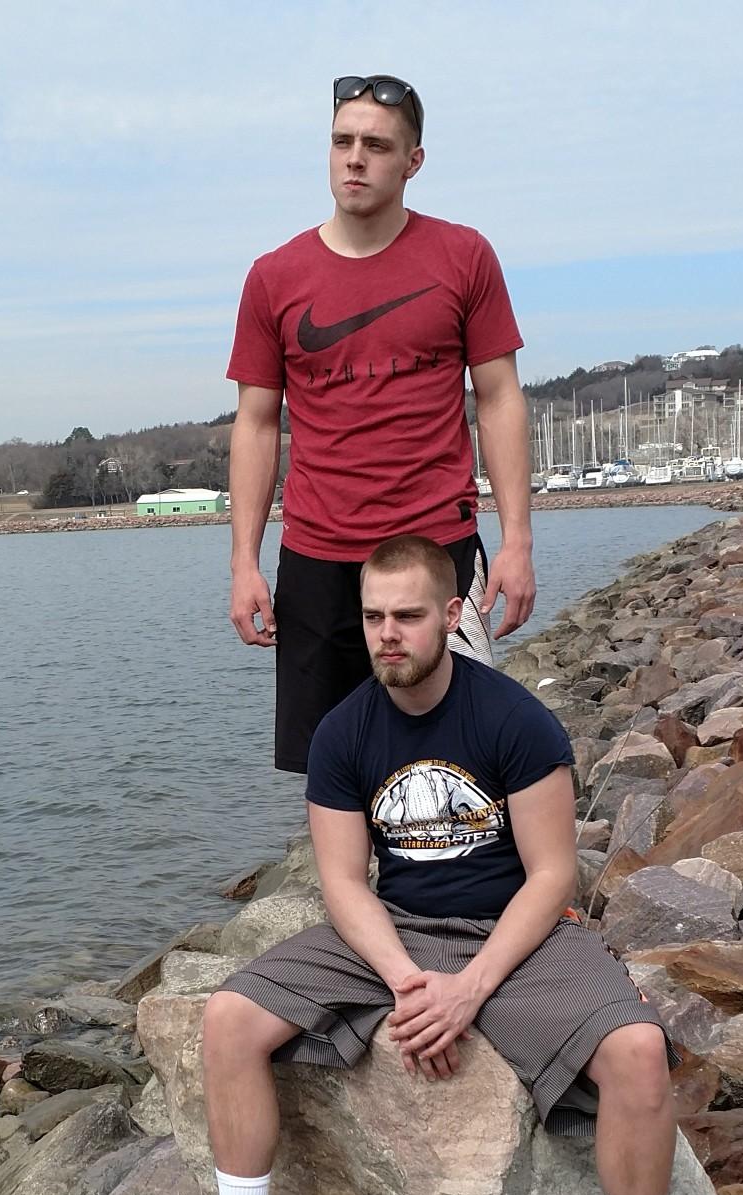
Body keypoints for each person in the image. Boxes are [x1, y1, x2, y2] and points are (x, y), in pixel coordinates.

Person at [149, 536, 719, 1195]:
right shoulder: (344, 730)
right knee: (228, 1020)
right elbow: (342, 880)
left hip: (515, 928)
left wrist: (473, 986)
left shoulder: (514, 720)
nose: (387, 634)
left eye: (407, 616)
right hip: (396, 927)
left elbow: (553, 873)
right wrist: (409, 981)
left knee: (637, 1050)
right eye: (373, 616)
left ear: (452, 617)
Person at [226, 73, 537, 774]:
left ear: (412, 161)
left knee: (455, 748)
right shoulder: (273, 276)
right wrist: (244, 562)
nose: (354, 159)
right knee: (332, 758)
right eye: (341, 142)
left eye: (374, 144)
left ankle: (454, 882)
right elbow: (255, 422)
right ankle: (342, 885)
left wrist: (516, 541)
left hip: (436, 546)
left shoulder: (464, 257)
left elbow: (498, 398)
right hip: (317, 553)